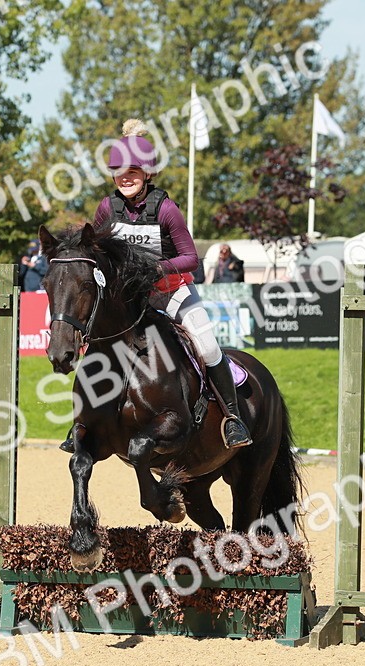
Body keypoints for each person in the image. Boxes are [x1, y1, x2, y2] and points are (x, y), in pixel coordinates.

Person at [61, 118, 250, 452]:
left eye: (133, 172)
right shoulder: (108, 207)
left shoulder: (165, 209)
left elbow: (191, 258)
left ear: (148, 173)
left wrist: (154, 269)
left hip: (173, 292)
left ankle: (233, 418)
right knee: (101, 339)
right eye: (119, 172)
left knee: (206, 347)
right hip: (132, 300)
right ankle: (84, 421)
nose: (126, 178)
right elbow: (96, 249)